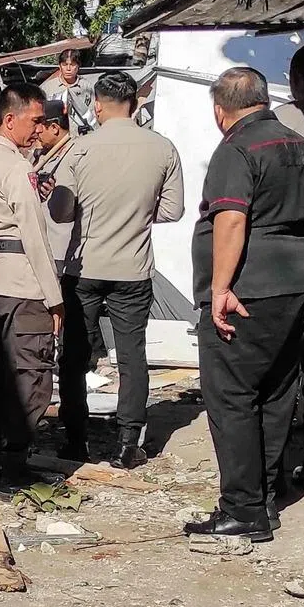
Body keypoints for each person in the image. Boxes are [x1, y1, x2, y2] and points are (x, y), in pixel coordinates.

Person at [184, 67, 304, 543]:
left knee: (232, 395)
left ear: (221, 110)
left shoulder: (237, 148)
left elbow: (231, 221)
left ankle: (242, 509)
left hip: (250, 289)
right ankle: (264, 499)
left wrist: (220, 288)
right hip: (302, 285)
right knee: (278, 393)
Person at [49, 72, 184, 466]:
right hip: (134, 269)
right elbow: (173, 210)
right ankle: (129, 442)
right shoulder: (162, 148)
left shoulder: (79, 149)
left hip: (84, 268)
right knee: (131, 354)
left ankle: (76, 439)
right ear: (136, 104)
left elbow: (60, 212)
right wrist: (138, 213)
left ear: (97, 105)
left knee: (74, 356)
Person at [0, 82, 63, 495]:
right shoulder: (16, 167)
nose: (39, 130)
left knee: (2, 375)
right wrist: (55, 298)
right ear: (10, 119)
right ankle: (12, 465)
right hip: (22, 281)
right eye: (35, 121)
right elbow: (35, 236)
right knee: (32, 377)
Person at [275, 42, 304, 494]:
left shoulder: (280, 125)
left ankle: (283, 470)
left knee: (285, 370)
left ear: (297, 80)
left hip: (292, 264)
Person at [32, 100, 73, 272]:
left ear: (54, 128)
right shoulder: (41, 154)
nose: (37, 131)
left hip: (61, 247)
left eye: (41, 125)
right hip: (41, 244)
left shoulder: (75, 154)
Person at [41, 48, 97, 134]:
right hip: (57, 136)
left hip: (82, 135)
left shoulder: (86, 87)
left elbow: (93, 114)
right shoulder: (48, 88)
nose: (68, 68)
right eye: (64, 64)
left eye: (72, 64)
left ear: (78, 66)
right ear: (59, 66)